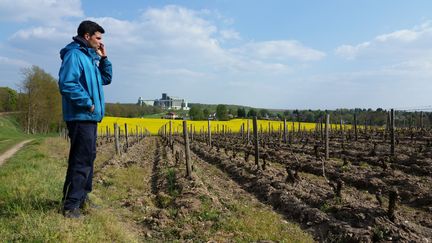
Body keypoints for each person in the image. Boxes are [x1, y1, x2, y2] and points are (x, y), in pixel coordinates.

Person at [58, 20, 112, 218]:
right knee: (81, 160)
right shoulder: (74, 55)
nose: (100, 42)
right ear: (87, 36)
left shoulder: (90, 58)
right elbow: (67, 84)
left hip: (89, 117)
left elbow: (105, 79)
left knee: (88, 158)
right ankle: (71, 206)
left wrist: (104, 59)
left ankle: (80, 198)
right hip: (81, 115)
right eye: (98, 38)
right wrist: (87, 103)